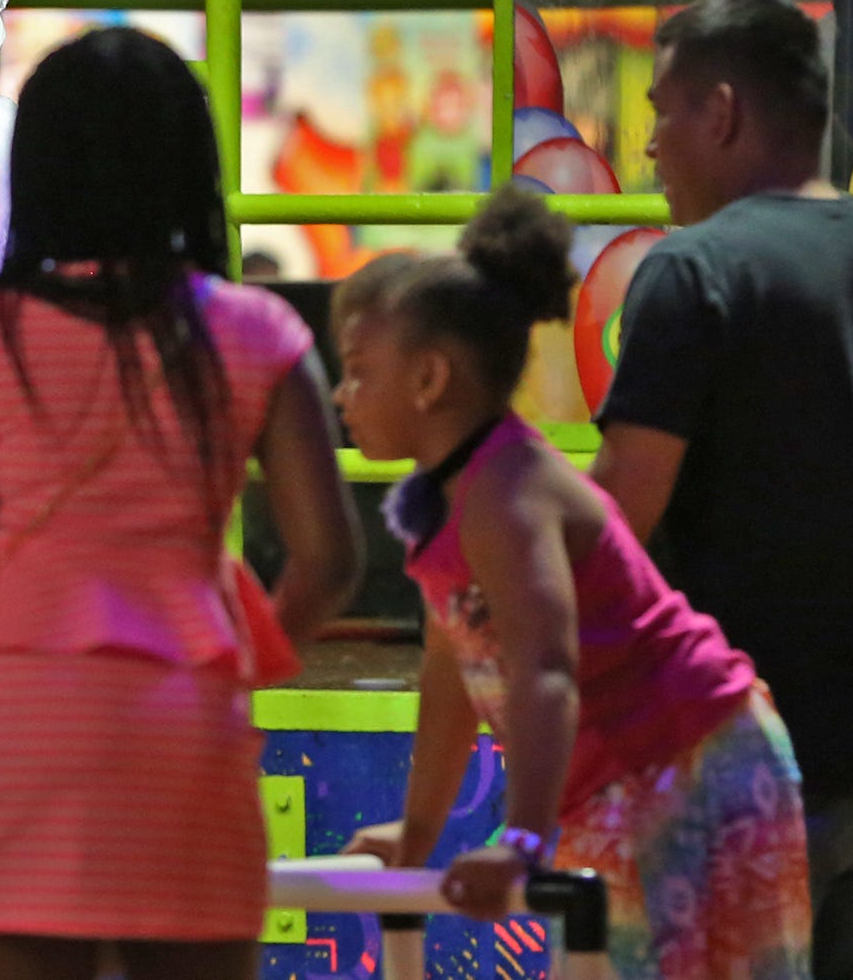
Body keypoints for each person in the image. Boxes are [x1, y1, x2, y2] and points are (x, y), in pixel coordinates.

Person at [0, 27, 365, 980]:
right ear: (189, 163)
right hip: (186, 715)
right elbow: (329, 559)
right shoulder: (254, 329)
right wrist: (233, 677)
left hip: (17, 717)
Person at [588, 0, 853, 980]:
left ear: (722, 110)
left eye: (661, 110)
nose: (650, 147)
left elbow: (616, 520)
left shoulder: (691, 273)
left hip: (740, 772)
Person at [334, 184, 811, 980]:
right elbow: (449, 671)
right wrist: (415, 835)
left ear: (427, 381)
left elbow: (544, 671)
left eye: (356, 373)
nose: (341, 397)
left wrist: (520, 843)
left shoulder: (505, 493)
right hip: (626, 783)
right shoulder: (442, 506)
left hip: (688, 764)